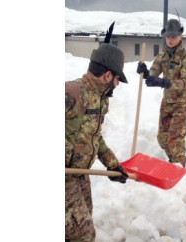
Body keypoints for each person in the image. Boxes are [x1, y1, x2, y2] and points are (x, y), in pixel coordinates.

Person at [65, 38, 129, 241]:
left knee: (80, 225)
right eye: (117, 79)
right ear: (107, 75)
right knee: (83, 235)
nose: (117, 84)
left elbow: (94, 137)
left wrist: (113, 165)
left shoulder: (98, 99)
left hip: (79, 174)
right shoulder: (71, 92)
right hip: (63, 175)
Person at [136, 19, 186, 168]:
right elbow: (154, 72)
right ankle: (174, 161)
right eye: (168, 36)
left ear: (180, 37)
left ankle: (179, 166)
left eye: (173, 36)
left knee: (175, 138)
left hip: (182, 103)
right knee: (162, 138)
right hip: (168, 101)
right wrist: (145, 72)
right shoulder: (163, 55)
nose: (170, 39)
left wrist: (165, 83)